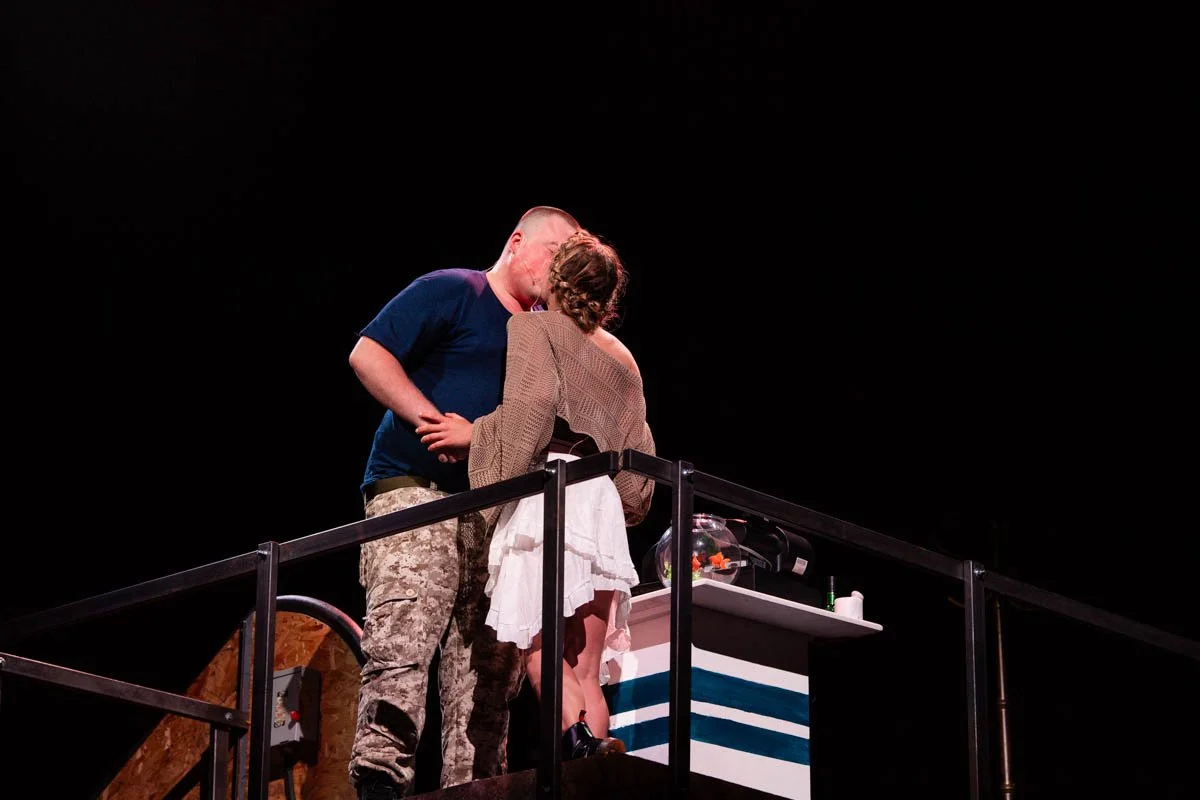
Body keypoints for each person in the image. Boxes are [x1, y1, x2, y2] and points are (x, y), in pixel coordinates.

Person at [347, 206, 583, 800]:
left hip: (493, 511)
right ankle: (381, 782)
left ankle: (474, 790)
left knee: (486, 676)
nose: (560, 269)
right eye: (555, 252)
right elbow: (369, 353)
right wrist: (432, 424)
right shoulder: (455, 289)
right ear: (516, 241)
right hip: (416, 493)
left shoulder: (541, 333)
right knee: (404, 640)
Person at [415, 230, 656, 759]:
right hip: (601, 503)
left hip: (553, 494)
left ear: (556, 279)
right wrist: (619, 507)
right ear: (608, 294)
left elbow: (531, 412)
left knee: (540, 653)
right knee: (586, 666)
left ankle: (579, 746)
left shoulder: (534, 328)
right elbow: (640, 457)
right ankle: (599, 767)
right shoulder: (623, 358)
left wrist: (476, 435)